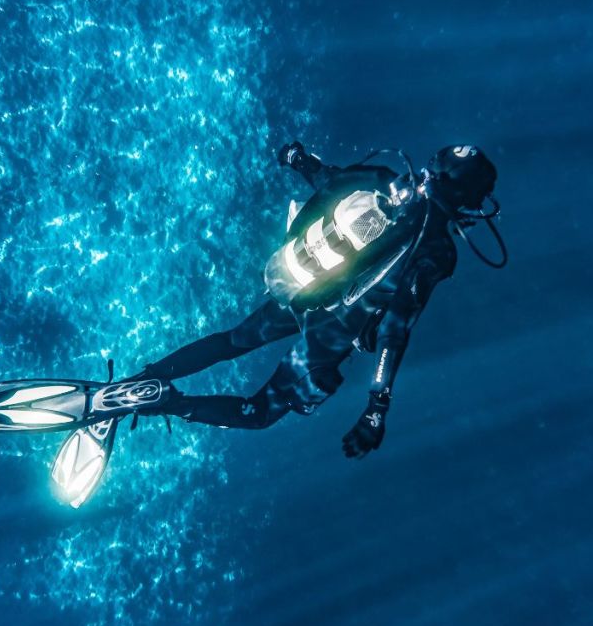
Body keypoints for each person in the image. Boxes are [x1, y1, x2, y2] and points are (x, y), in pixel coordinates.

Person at [127, 140, 501, 458]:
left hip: (304, 286)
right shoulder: (436, 251)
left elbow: (329, 180)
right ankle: (168, 402)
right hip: (332, 331)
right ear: (466, 200)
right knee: (259, 412)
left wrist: (296, 158)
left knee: (232, 341)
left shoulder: (382, 180)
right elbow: (395, 326)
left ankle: (148, 376)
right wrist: (376, 407)